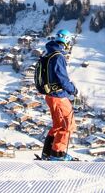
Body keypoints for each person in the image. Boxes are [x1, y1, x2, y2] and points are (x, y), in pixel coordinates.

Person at [40, 29, 78, 161]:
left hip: (50, 95)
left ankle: (47, 152)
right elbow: (62, 79)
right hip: (58, 96)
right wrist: (73, 90)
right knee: (68, 125)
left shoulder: (48, 53)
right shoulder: (58, 56)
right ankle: (58, 153)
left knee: (57, 124)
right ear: (67, 41)